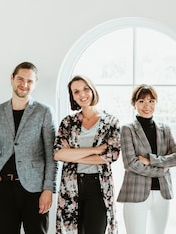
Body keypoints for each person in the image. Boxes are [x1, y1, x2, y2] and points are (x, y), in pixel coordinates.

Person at [0, 61, 57, 234]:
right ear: (12, 78)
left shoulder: (44, 112)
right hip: (1, 188)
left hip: (35, 189)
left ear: (35, 84)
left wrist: (48, 189)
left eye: (29, 81)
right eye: (20, 79)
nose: (24, 84)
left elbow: (51, 155)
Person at [53, 75, 121, 234]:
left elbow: (111, 156)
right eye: (76, 92)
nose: (82, 94)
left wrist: (72, 154)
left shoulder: (111, 121)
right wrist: (95, 150)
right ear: (72, 96)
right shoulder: (68, 123)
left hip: (98, 187)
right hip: (70, 188)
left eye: (85, 89)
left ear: (92, 90)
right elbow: (58, 154)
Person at [117, 84, 176, 234]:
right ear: (134, 103)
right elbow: (130, 164)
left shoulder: (165, 129)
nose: (147, 106)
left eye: (151, 101)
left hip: (162, 193)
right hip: (135, 193)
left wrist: (151, 160)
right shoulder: (127, 129)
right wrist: (161, 169)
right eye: (141, 101)